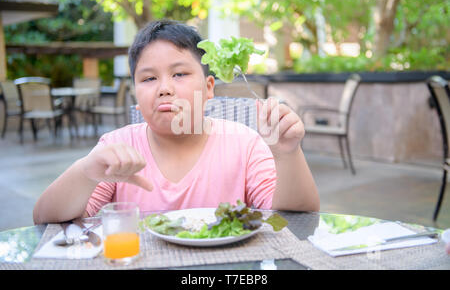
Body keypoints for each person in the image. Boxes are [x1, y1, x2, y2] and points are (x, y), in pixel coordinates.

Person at [33, 20, 319, 224]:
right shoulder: (118, 147)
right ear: (135, 94)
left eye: (179, 74)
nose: (164, 88)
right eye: (148, 78)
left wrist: (287, 155)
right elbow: (45, 217)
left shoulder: (245, 143)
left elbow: (295, 217)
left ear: (209, 88)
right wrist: (86, 171)